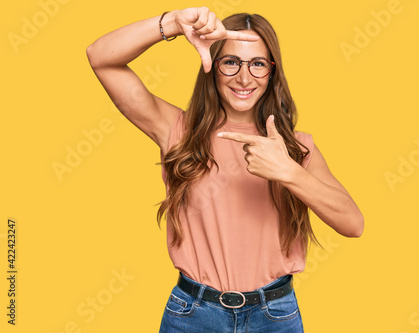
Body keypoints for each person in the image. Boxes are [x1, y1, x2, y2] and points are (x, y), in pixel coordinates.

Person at [86, 6, 364, 333]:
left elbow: (353, 223)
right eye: (231, 62)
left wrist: (289, 171)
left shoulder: (295, 148)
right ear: (212, 66)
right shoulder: (177, 131)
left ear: (272, 72)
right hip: (193, 315)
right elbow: (101, 57)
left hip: (273, 317)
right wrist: (172, 23)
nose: (244, 78)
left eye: (257, 64)